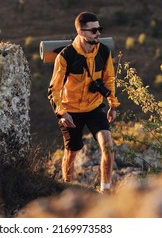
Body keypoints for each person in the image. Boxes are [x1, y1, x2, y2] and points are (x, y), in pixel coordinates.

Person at [48, 11, 120, 194]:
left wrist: (113, 105)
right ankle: (67, 190)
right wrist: (62, 113)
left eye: (99, 29)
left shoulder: (103, 52)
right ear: (81, 32)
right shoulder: (65, 56)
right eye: (93, 30)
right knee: (72, 153)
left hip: (95, 107)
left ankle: (106, 191)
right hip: (70, 110)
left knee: (108, 146)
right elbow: (54, 90)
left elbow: (109, 79)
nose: (98, 33)